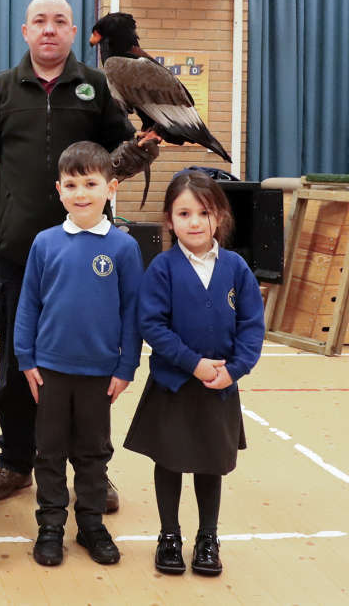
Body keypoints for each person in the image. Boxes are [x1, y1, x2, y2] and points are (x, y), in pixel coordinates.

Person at [0, 0, 158, 504]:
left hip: (90, 260)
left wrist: (136, 158)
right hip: (19, 256)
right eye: (39, 22)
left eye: (60, 22)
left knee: (89, 372)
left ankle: (92, 472)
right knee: (16, 369)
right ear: (25, 32)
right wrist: (24, 188)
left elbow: (117, 158)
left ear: (74, 33)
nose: (49, 30)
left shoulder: (99, 87)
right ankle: (15, 463)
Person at [124, 170, 264, 576]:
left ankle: (208, 537)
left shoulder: (237, 268)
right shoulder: (163, 269)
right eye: (184, 213)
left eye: (204, 212)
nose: (195, 221)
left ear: (218, 217)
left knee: (210, 464)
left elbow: (253, 326)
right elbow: (152, 325)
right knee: (168, 462)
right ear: (169, 220)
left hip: (219, 388)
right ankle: (169, 535)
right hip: (173, 386)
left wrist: (234, 370)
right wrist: (194, 363)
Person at [14, 142, 142, 567]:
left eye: (91, 183)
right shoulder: (45, 243)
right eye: (72, 184)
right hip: (49, 371)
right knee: (48, 452)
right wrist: (26, 359)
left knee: (92, 452)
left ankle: (91, 524)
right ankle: (50, 526)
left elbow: (132, 313)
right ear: (59, 189)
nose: (81, 192)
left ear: (111, 188)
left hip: (99, 373)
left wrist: (126, 366)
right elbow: (29, 304)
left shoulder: (123, 248)